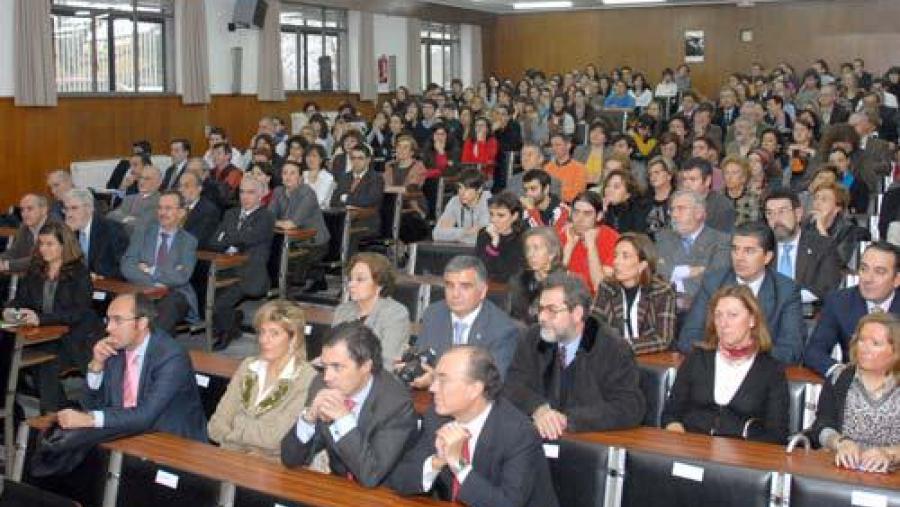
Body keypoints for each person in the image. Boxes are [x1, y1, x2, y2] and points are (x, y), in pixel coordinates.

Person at [389, 346, 560, 507]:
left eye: (443, 380)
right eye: (434, 379)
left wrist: (458, 465)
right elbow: (399, 479)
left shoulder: (518, 433)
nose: (432, 388)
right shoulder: (437, 417)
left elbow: (507, 504)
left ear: (475, 389)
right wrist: (436, 462)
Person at [504, 272, 645, 437]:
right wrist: (538, 409)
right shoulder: (533, 337)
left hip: (588, 440)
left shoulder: (612, 347)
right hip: (538, 437)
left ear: (577, 313)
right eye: (540, 309)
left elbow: (629, 407)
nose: (542, 317)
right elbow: (513, 385)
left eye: (552, 310)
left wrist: (567, 419)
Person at [281, 322, 418, 488]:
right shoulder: (320, 385)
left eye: (337, 367)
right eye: (324, 366)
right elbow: (290, 459)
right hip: (340, 487)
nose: (327, 377)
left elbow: (371, 475)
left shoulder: (396, 404)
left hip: (387, 493)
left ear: (366, 366)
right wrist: (308, 419)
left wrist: (343, 420)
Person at [56, 293, 207, 441]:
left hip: (172, 440)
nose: (109, 328)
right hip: (127, 432)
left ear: (142, 323)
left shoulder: (171, 356)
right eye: (108, 320)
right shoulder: (113, 349)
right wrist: (96, 366)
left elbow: (146, 415)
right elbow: (89, 405)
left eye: (118, 320)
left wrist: (91, 419)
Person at [661, 285, 789, 444]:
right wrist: (678, 437)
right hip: (692, 447)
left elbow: (777, 435)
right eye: (718, 315)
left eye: (732, 315)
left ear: (752, 320)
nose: (723, 323)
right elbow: (670, 414)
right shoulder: (697, 359)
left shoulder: (771, 370)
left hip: (743, 453)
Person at [4, 222, 101, 411]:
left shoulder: (79, 273)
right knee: (13, 356)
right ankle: (54, 411)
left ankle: (52, 414)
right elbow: (21, 299)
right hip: (42, 336)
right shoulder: (35, 269)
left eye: (50, 244)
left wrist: (40, 319)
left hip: (73, 338)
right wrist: (9, 310)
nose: (43, 249)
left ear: (64, 245)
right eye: (41, 243)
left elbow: (77, 313)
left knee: (46, 364)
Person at [678, 221, 804, 364]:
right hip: (716, 366)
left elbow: (791, 349)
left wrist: (744, 354)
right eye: (735, 249)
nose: (739, 257)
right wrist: (725, 354)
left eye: (749, 251)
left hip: (762, 370)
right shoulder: (713, 283)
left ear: (767, 257)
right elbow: (688, 338)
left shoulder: (786, 290)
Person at [208, 301, 317, 461]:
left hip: (271, 466)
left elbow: (275, 439)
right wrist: (246, 444)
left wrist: (235, 426)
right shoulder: (248, 366)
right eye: (262, 332)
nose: (264, 340)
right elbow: (215, 426)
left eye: (274, 334)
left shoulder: (306, 378)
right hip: (230, 456)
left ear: (294, 338)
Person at [806, 312, 900, 473]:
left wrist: (889, 454)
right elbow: (821, 427)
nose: (864, 348)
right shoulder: (839, 377)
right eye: (861, 340)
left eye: (875, 343)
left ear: (895, 351)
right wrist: (840, 442)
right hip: (842, 468)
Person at [411, 256, 519, 387]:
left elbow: (491, 384)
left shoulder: (502, 329)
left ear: (483, 291)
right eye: (450, 286)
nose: (455, 294)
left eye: (465, 287)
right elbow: (422, 359)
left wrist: (437, 379)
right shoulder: (433, 314)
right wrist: (413, 368)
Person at [804, 242, 900, 379]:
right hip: (853, 383)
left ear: (897, 279)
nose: (868, 279)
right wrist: (840, 372)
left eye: (879, 272)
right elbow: (814, 352)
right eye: (864, 269)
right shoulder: (839, 302)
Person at [208, 178, 276, 351]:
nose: (245, 196)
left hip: (250, 272)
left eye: (250, 192)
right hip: (226, 268)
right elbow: (214, 240)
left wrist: (229, 239)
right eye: (242, 192)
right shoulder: (230, 213)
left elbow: (247, 238)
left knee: (220, 303)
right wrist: (233, 242)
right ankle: (232, 320)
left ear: (260, 196)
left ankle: (227, 331)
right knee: (205, 294)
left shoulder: (266, 216)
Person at [121, 191, 198, 336]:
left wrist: (151, 270)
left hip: (175, 293)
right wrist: (153, 284)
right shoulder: (143, 233)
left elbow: (182, 277)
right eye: (160, 208)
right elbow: (127, 265)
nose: (162, 213)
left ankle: (152, 345)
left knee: (169, 306)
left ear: (181, 212)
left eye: (168, 208)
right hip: (143, 289)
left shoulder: (188, 241)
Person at [594, 234, 677, 355]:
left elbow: (663, 339)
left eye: (625, 256)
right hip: (613, 358)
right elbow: (593, 326)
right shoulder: (607, 287)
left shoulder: (662, 291)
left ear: (642, 265)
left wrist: (622, 345)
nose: (616, 262)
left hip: (650, 358)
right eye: (616, 256)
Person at [763, 189, 843, 302]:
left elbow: (827, 287)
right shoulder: (762, 246)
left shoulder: (822, 246)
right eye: (770, 213)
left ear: (798, 214)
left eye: (782, 211)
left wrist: (788, 299)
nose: (776, 219)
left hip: (808, 310)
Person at [333, 253, 410, 367]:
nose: (351, 284)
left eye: (360, 279)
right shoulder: (342, 311)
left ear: (379, 284)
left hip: (378, 375)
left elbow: (386, 360)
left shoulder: (396, 313)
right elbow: (332, 351)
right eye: (350, 279)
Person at [269, 160, 330, 286]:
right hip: (289, 240)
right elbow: (267, 218)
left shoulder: (307, 193)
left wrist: (276, 222)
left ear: (300, 178)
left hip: (313, 243)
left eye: (292, 173)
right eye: (285, 173)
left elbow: (291, 224)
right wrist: (278, 223)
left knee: (286, 265)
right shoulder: (278, 191)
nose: (288, 176)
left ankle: (314, 275)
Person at [560, 191, 618, 294]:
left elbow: (600, 288)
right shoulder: (564, 235)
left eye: (587, 214)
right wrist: (569, 247)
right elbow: (553, 283)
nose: (580, 219)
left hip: (597, 300)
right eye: (576, 212)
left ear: (599, 216)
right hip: (566, 298)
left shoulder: (613, 239)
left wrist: (591, 246)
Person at [62, 188, 128, 279]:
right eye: (66, 209)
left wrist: (97, 274)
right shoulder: (68, 230)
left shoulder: (111, 230)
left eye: (74, 208)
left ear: (89, 208)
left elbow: (125, 268)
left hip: (106, 283)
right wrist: (67, 235)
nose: (69, 214)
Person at [508, 227, 568, 324]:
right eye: (528, 249)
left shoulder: (565, 284)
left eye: (536, 248)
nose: (530, 254)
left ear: (552, 253)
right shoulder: (519, 280)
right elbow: (515, 318)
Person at [804, 181, 870, 267]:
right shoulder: (807, 225)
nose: (817, 203)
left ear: (838, 207)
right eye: (816, 198)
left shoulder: (850, 231)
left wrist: (821, 229)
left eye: (824, 199)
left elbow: (837, 263)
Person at [476, 191, 525, 283]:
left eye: (501, 215)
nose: (494, 220)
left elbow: (509, 273)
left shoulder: (523, 237)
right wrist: (494, 244)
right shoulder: (484, 234)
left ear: (514, 216)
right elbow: (481, 269)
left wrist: (494, 248)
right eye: (491, 214)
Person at [433, 169, 491, 245]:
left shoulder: (489, 202)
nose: (462, 193)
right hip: (463, 249)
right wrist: (465, 231)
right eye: (460, 188)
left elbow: (483, 237)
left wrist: (454, 235)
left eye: (467, 189)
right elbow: (437, 234)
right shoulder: (455, 201)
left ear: (479, 189)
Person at [679, 157, 736, 233]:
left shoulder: (722, 207)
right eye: (684, 179)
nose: (686, 185)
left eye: (693, 179)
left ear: (707, 181)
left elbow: (722, 238)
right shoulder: (678, 202)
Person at [0, 194, 53, 273]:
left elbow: (40, 259)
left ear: (43, 210)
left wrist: (6, 265)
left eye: (30, 209)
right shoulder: (24, 227)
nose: (25, 214)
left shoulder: (54, 227)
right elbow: (15, 251)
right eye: (22, 210)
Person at [107, 165, 162, 233]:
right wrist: (129, 218)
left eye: (147, 179)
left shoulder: (160, 201)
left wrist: (123, 218)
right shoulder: (129, 198)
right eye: (141, 177)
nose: (141, 182)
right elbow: (111, 215)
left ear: (158, 183)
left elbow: (143, 224)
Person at [178, 169, 220, 250]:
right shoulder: (175, 206)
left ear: (199, 188)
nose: (181, 190)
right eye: (180, 186)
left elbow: (196, 240)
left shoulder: (209, 211)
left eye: (186, 186)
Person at [601, 169, 650, 234]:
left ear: (628, 194)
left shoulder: (639, 210)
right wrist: (603, 213)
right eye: (608, 186)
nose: (609, 190)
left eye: (616, 187)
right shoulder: (606, 209)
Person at [545, 133, 587, 203]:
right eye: (552, 145)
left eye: (558, 145)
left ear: (568, 145)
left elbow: (578, 194)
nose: (554, 148)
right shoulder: (547, 167)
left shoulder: (579, 168)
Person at [645, 156, 677, 238]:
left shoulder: (678, 199)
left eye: (657, 172)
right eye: (650, 174)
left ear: (669, 175)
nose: (653, 177)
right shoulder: (644, 201)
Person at [302, 143, 336, 209]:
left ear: (321, 159)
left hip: (321, 212)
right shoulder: (303, 174)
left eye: (314, 156)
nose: (310, 159)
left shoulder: (327, 177)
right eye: (308, 156)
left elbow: (319, 200)